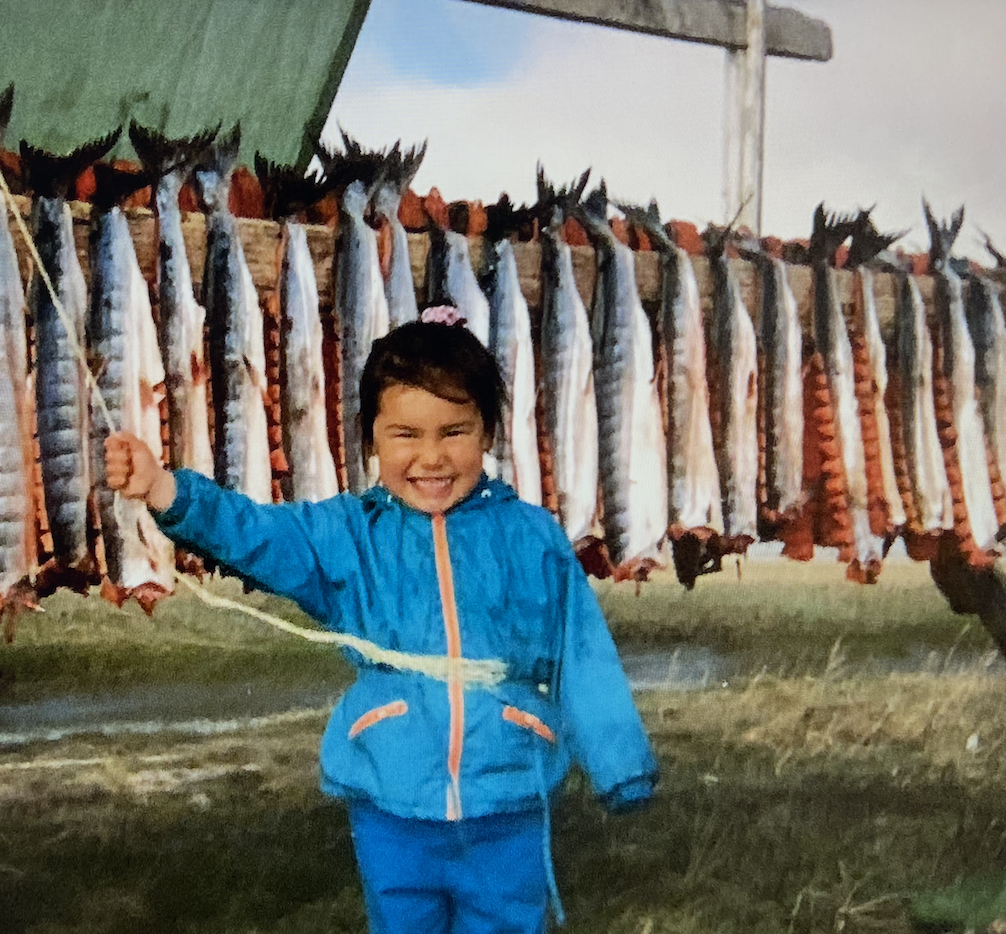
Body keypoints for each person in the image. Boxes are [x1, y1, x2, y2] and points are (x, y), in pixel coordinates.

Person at [105, 310, 658, 934]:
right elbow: (256, 533)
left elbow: (580, 654)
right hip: (390, 807)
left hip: (508, 803)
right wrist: (162, 488)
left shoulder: (532, 538)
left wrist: (621, 766)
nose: (432, 457)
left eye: (455, 431)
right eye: (405, 434)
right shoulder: (347, 536)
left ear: (490, 434)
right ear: (370, 439)